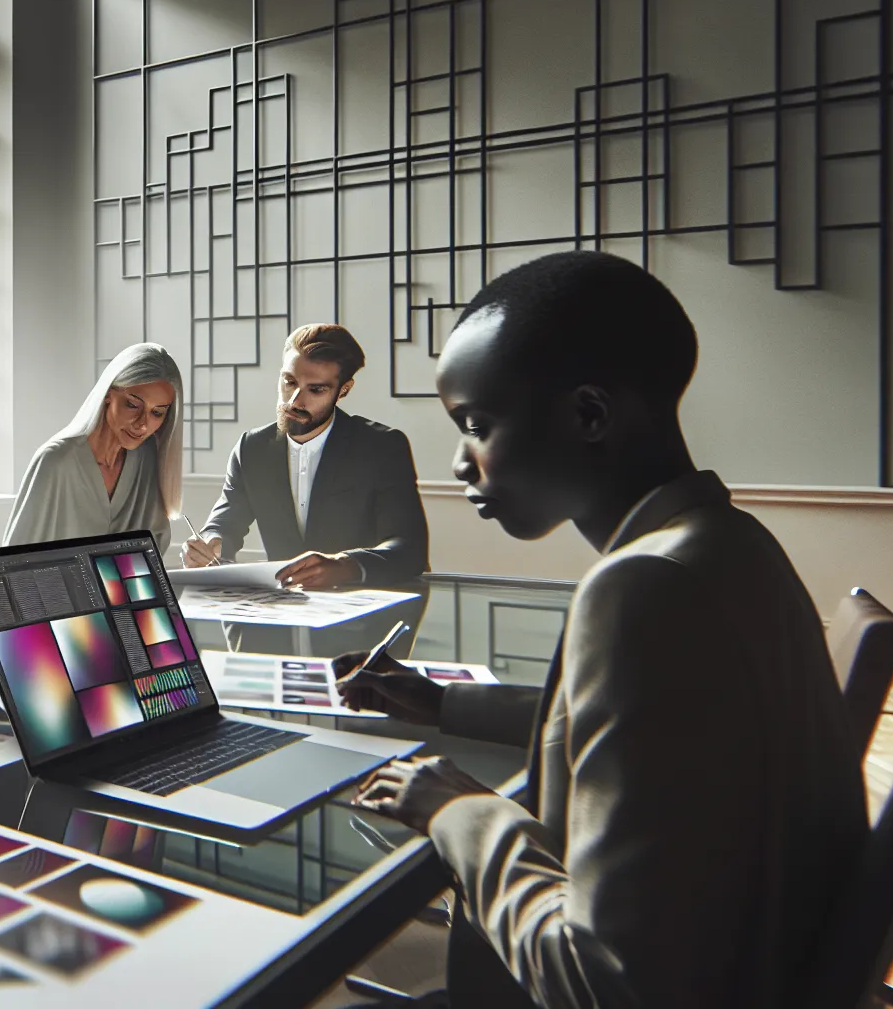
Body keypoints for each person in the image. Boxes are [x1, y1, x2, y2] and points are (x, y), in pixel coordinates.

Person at [337, 251, 866, 1008]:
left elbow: (604, 984)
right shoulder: (731, 544)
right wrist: (444, 704)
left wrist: (454, 809)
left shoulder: (641, 587)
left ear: (589, 415)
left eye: (476, 425)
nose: (459, 461)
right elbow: (651, 726)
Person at [182, 323, 428, 589]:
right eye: (289, 382)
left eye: (316, 389)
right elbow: (225, 521)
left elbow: (410, 549)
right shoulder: (251, 448)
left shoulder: (382, 447)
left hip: (364, 616)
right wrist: (210, 543)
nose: (295, 401)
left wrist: (343, 566)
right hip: (281, 614)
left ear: (343, 390)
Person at [3, 342, 184, 553]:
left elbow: (153, 552)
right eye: (133, 405)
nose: (142, 424)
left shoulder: (147, 458)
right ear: (108, 393)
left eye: (157, 413)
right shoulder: (56, 461)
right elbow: (14, 560)